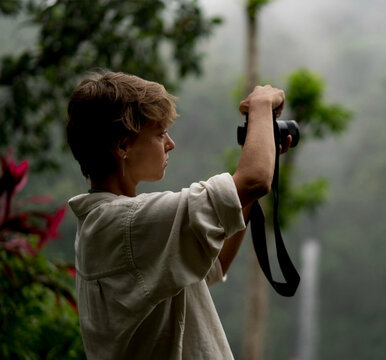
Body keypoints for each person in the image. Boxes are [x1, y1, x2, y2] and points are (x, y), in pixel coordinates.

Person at [66, 71, 290, 359]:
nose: (170, 143)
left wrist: (259, 158)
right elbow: (255, 179)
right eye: (160, 134)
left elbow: (216, 262)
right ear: (123, 145)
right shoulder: (128, 224)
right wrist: (261, 104)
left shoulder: (110, 225)